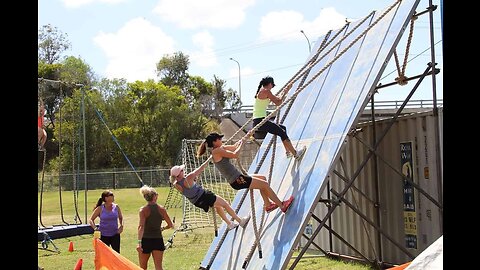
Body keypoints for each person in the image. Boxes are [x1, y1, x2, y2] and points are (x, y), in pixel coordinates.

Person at [197, 132, 294, 213]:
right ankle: (282, 206)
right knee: (264, 184)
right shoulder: (216, 151)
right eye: (219, 139)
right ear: (214, 142)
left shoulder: (220, 148)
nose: (221, 140)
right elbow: (235, 155)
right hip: (237, 180)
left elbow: (235, 147)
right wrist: (242, 143)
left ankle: (268, 205)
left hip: (239, 177)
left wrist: (244, 138)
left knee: (262, 179)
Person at [170, 160, 250, 231]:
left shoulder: (176, 185)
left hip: (197, 202)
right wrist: (209, 160)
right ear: (179, 174)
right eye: (182, 170)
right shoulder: (188, 178)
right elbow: (200, 169)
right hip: (204, 196)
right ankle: (240, 221)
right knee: (225, 204)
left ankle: (229, 223)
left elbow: (188, 186)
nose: (184, 171)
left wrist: (192, 180)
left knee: (218, 206)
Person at [252, 76, 306, 160]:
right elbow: (278, 103)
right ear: (270, 84)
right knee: (282, 132)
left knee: (282, 128)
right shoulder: (266, 91)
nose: (272, 87)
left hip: (258, 120)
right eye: (272, 85)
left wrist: (284, 92)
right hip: (261, 120)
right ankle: (295, 153)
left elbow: (277, 100)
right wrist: (286, 91)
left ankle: (288, 152)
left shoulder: (262, 91)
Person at [137, 185, 174, 270]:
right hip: (158, 240)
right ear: (154, 196)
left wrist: (139, 243)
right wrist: (163, 228)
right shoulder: (161, 209)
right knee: (158, 267)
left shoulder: (143, 210)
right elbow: (170, 225)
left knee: (142, 267)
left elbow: (141, 227)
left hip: (145, 240)